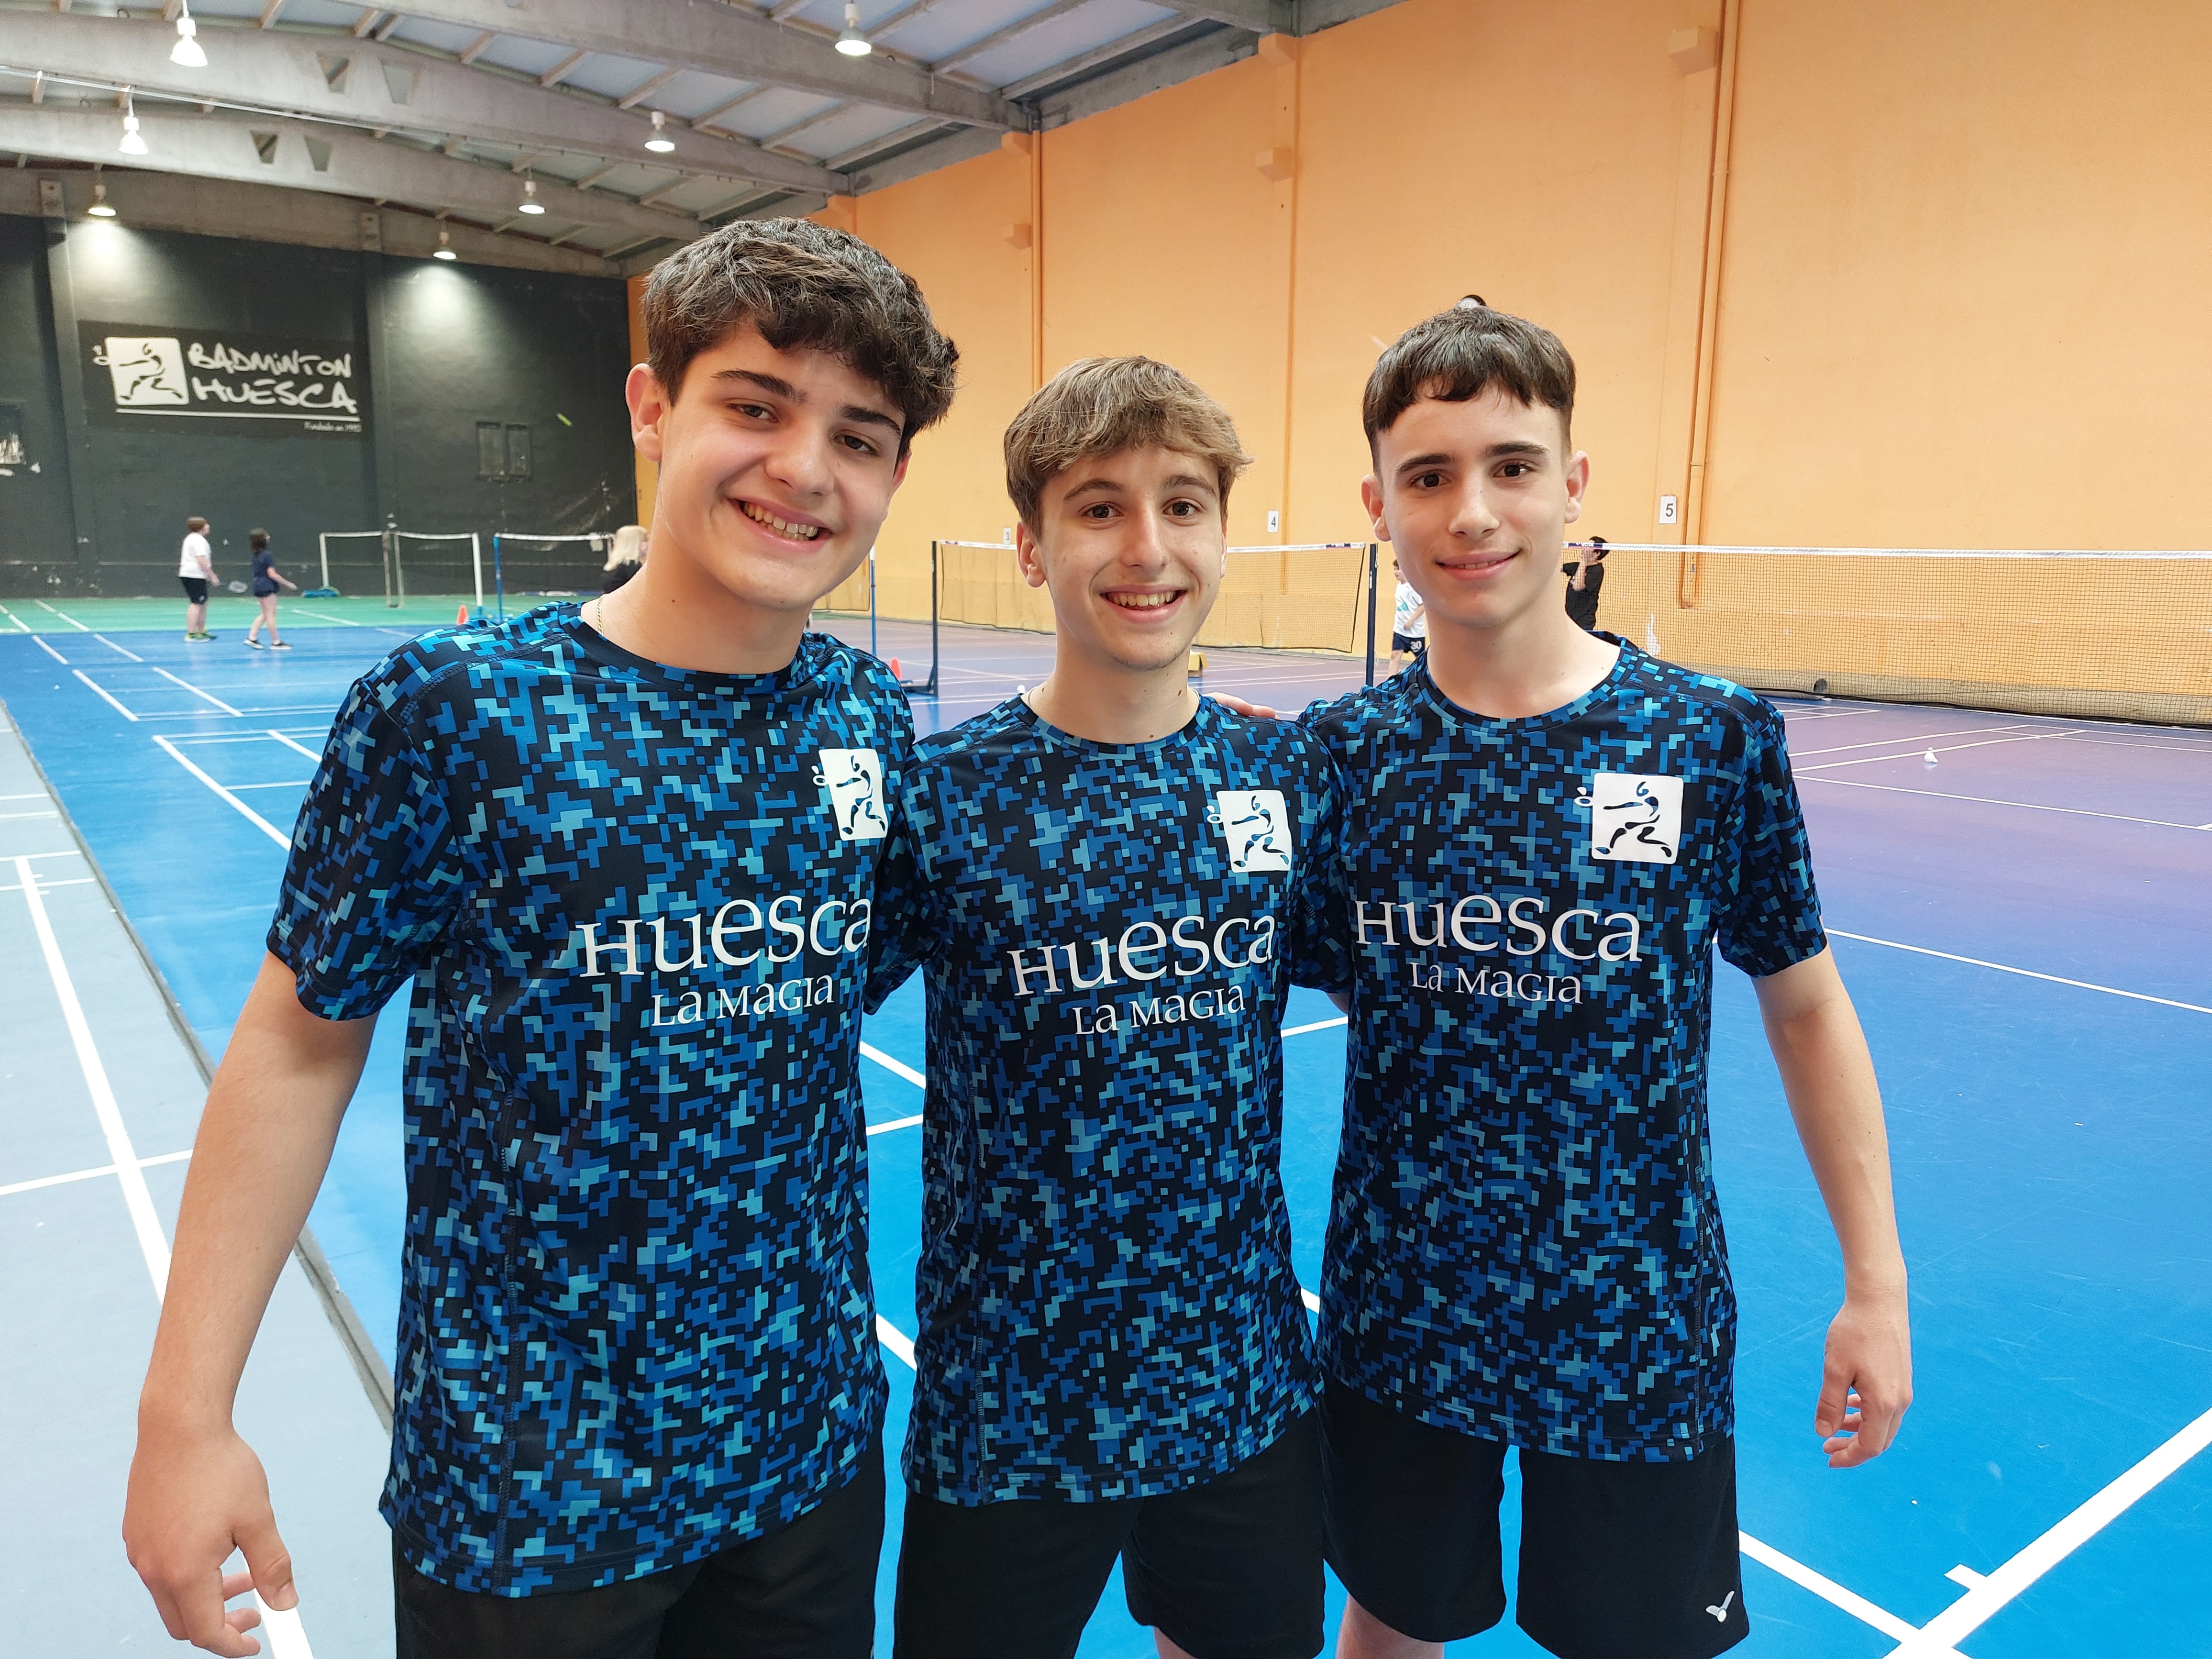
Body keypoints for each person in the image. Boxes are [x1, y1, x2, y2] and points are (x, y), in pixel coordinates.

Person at [122, 217, 959, 1659]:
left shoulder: (865, 719)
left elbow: (828, 993)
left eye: (859, 435)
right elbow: (295, 1041)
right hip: (530, 1487)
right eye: (754, 406)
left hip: (809, 1455)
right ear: (653, 409)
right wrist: (183, 1417)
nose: (804, 468)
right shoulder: (457, 711)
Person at [1304, 304, 1912, 1659]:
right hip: (1403, 1311)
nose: (1474, 510)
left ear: (1575, 486)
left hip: (1636, 1319)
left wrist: (1877, 1283)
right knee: (1391, 1620)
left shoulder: (1711, 734)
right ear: (1378, 506)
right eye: (1430, 475)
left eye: (1513, 465)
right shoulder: (1339, 757)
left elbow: (1805, 1003)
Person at [868, 357, 1349, 1659]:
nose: (1150, 547)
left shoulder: (1282, 771)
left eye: (1185, 505)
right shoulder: (946, 794)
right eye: (1100, 508)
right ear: (1029, 546)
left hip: (1238, 1390)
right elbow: (789, 1012)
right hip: (1008, 1407)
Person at [242, 530, 299, 650]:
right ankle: (276, 642)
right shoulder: (267, 555)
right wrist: (288, 584)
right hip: (267, 587)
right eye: (266, 536)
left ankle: (251, 638)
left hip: (258, 586)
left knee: (265, 614)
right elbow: (272, 574)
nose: (269, 537)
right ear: (263, 540)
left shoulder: (256, 555)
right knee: (271, 615)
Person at [179, 515, 217, 641]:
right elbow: (201, 560)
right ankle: (191, 634)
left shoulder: (192, 539)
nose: (208, 526)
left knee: (203, 603)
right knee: (196, 603)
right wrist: (212, 576)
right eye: (206, 524)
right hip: (194, 576)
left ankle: (201, 630)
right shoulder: (199, 541)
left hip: (194, 575)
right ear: (200, 527)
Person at [1561, 534, 1605, 631]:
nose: (1584, 548)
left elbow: (1577, 587)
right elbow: (1556, 569)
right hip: (1569, 619)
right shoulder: (1577, 567)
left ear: (1597, 553)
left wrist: (1584, 561)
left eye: (1588, 547)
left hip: (1584, 623)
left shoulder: (1597, 571)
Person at [1389, 572, 1426, 671]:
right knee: (1395, 656)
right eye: (1395, 569)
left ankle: (1427, 682)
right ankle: (1390, 682)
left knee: (1421, 660)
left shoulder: (1413, 588)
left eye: (1398, 569)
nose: (1395, 572)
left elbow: (1423, 606)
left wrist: (1411, 621)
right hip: (1400, 631)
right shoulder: (1399, 587)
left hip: (1415, 633)